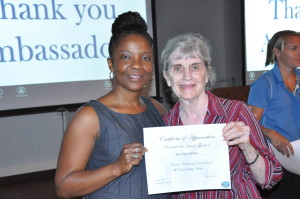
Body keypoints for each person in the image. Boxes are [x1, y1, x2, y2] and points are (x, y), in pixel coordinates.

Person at [55, 11, 169, 199]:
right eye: (126, 57)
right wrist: (116, 168)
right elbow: (64, 188)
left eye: (146, 58)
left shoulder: (157, 109)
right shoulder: (90, 116)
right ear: (111, 64)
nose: (137, 65)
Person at [161, 33, 282, 199]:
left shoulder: (236, 112)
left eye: (195, 67)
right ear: (167, 77)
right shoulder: (165, 127)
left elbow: (269, 179)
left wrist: (247, 147)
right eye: (177, 68)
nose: (187, 76)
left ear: (207, 74)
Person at [248, 30, 300, 199]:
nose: (299, 52)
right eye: (294, 48)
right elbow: (249, 123)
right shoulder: (264, 84)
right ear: (277, 52)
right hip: (277, 159)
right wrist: (271, 133)